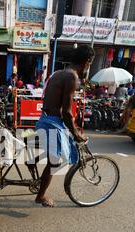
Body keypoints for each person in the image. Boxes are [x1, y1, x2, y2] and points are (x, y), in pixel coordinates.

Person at [35, 45, 93, 207]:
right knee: (54, 161)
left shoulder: (60, 73)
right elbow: (67, 112)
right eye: (89, 63)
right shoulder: (71, 77)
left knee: (56, 156)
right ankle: (41, 196)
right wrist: (76, 133)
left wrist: (72, 128)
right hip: (51, 123)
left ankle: (39, 182)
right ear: (87, 62)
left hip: (48, 120)